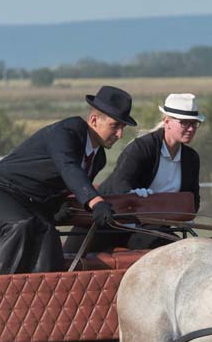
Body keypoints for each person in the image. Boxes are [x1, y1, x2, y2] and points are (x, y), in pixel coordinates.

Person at [0, 85, 135, 275]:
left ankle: (42, 301)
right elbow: (67, 166)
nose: (120, 134)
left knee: (49, 239)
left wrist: (55, 207)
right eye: (115, 126)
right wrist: (96, 202)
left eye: (123, 128)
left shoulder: (98, 159)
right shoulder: (68, 131)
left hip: (28, 207)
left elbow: (58, 185)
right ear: (94, 120)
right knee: (19, 226)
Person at [64, 92, 202, 254]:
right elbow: (120, 184)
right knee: (67, 261)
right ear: (167, 122)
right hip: (104, 224)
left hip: (147, 230)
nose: (191, 128)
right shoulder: (141, 148)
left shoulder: (191, 159)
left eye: (194, 123)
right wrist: (134, 197)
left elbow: (193, 201)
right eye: (185, 123)